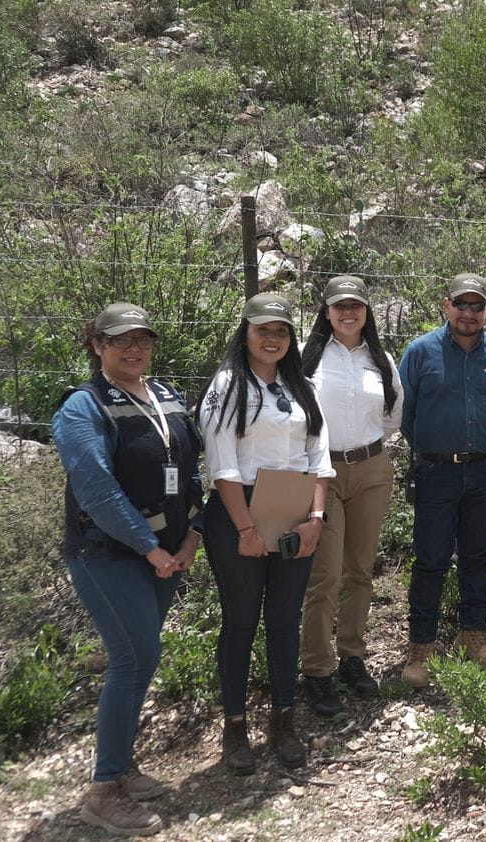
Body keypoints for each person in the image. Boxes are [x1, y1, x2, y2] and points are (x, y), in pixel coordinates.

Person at [55, 303, 203, 836]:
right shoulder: (83, 406)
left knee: (141, 659)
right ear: (97, 345)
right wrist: (149, 547)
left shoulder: (165, 396)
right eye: (120, 341)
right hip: (109, 555)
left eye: (142, 339)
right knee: (133, 656)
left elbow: (190, 470)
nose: (133, 349)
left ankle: (122, 766)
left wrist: (192, 534)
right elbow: (95, 488)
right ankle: (104, 790)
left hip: (167, 550)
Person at [199, 293, 332, 775]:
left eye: (281, 331)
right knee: (239, 622)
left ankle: (283, 720)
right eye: (263, 330)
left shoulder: (304, 386)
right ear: (246, 332)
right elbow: (222, 464)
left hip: (296, 511)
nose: (272, 339)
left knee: (283, 620)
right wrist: (246, 528)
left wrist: (316, 520)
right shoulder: (227, 385)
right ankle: (235, 729)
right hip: (241, 512)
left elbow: (320, 458)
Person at [397, 274, 486, 687]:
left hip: (484, 469)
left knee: (477, 557)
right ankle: (421, 647)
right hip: (435, 472)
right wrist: (437, 448)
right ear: (446, 305)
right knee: (430, 560)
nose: (468, 313)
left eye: (477, 306)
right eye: (461, 305)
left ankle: (474, 635)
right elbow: (405, 414)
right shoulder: (420, 352)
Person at [298, 276, 402, 717]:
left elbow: (394, 414)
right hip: (322, 473)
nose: (348, 313)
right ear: (326, 312)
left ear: (366, 311)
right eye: (339, 306)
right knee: (325, 575)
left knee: (360, 569)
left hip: (372, 469)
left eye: (356, 306)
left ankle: (352, 657)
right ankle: (317, 671)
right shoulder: (307, 358)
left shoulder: (380, 358)